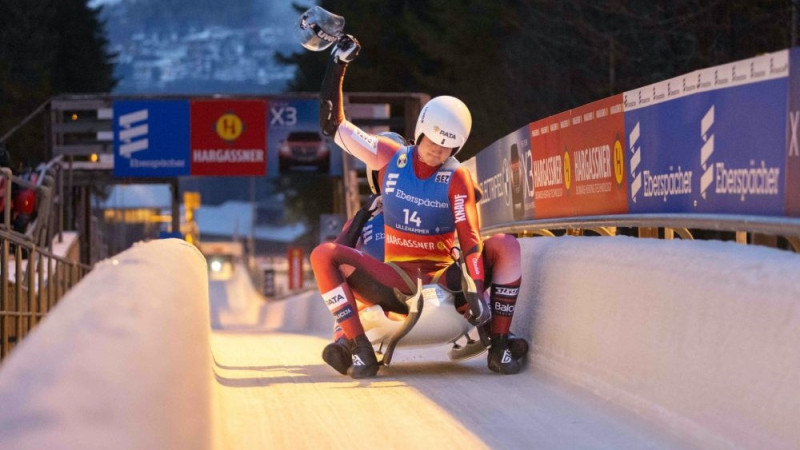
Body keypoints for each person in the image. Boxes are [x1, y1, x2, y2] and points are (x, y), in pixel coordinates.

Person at [311, 35, 528, 378]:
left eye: (448, 148)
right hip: (396, 278)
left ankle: (500, 343)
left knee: (506, 245)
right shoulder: (389, 156)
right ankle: (359, 349)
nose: (438, 152)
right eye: (434, 143)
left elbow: (469, 235)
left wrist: (472, 285)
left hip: (445, 277)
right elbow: (332, 125)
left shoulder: (456, 177)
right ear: (421, 131)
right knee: (323, 254)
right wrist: (338, 64)